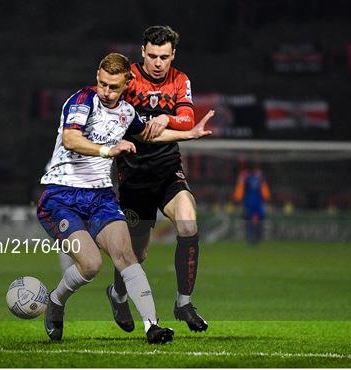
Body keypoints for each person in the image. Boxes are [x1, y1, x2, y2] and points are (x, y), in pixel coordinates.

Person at [37, 52, 213, 343]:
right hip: (61, 196)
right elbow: (71, 139)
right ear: (97, 77)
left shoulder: (126, 112)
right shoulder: (82, 101)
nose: (106, 92)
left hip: (101, 197)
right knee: (91, 265)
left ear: (126, 85)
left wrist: (190, 134)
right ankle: (56, 301)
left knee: (128, 255)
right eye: (103, 84)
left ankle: (152, 326)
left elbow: (148, 135)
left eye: (113, 87)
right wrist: (109, 150)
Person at [106, 25, 209, 334]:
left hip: (167, 169)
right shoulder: (127, 79)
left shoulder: (181, 80)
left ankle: (183, 303)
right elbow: (112, 118)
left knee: (188, 223)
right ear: (142, 52)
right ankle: (118, 294)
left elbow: (188, 119)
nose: (158, 63)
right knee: (136, 254)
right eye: (152, 55)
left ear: (173, 55)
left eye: (164, 56)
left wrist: (167, 118)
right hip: (134, 175)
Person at [233, 163, 271, 245]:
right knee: (252, 222)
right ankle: (254, 238)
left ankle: (254, 238)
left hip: (253, 204)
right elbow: (266, 195)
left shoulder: (249, 178)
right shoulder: (251, 178)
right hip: (253, 204)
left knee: (252, 222)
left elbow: (239, 195)